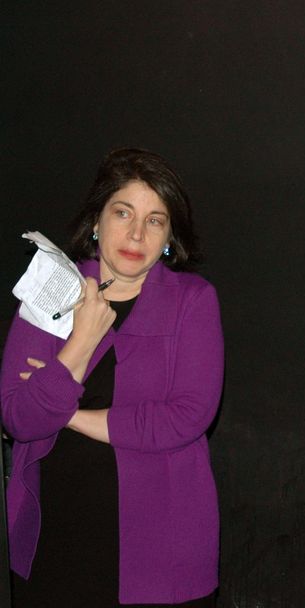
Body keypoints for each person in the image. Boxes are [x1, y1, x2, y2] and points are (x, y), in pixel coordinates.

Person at [1, 148, 223, 606]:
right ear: (97, 221)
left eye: (155, 220)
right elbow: (19, 419)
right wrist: (82, 339)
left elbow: (186, 418)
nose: (136, 233)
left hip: (163, 546)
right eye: (123, 213)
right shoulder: (48, 289)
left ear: (169, 236)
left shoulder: (193, 300)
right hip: (58, 540)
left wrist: (67, 413)